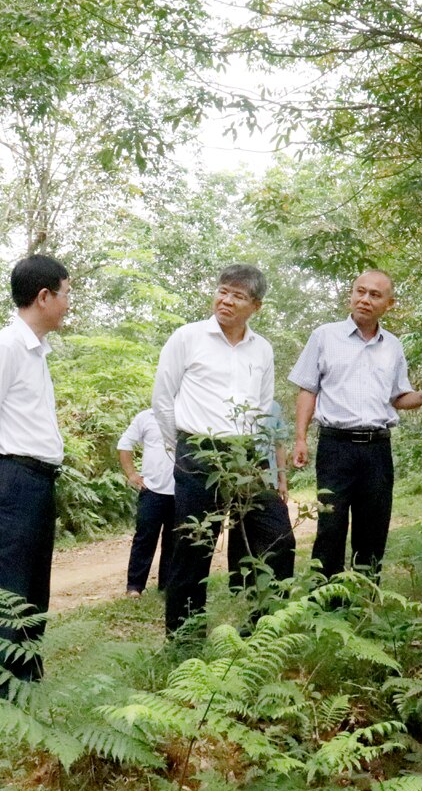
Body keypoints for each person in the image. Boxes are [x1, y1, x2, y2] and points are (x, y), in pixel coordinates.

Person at [152, 264, 295, 636]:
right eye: (222, 291)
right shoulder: (188, 337)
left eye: (238, 295)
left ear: (256, 306)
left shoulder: (261, 349)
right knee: (192, 549)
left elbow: (263, 409)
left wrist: (262, 460)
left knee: (277, 536)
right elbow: (163, 400)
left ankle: (262, 628)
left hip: (247, 455)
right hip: (198, 453)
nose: (226, 300)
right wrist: (181, 449)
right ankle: (184, 639)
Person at [289, 270, 422, 581]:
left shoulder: (392, 346)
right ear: (351, 295)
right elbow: (307, 389)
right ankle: (325, 602)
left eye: (374, 295)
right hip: (335, 447)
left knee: (374, 528)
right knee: (331, 526)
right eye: (360, 291)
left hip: (378, 449)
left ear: (388, 304)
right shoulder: (324, 336)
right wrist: (300, 438)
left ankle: (365, 598)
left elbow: (399, 397)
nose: (364, 299)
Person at [0, 254, 70, 699]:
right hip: (11, 479)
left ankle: (25, 684)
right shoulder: (5, 347)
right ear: (43, 297)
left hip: (38, 481)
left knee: (31, 590)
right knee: (5, 591)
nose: (68, 304)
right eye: (66, 295)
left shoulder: (36, 354)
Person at [227, 399, 291, 596]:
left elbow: (278, 445)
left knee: (279, 535)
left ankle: (275, 586)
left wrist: (282, 479)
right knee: (241, 531)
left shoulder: (274, 407)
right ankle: (242, 585)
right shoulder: (234, 403)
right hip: (239, 479)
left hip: (267, 479)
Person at [117, 409, 175, 598]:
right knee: (144, 539)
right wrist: (131, 474)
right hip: (152, 490)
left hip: (180, 491)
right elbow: (125, 444)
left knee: (173, 541)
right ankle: (134, 587)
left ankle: (166, 586)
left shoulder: (187, 415)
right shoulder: (146, 417)